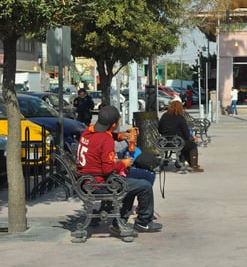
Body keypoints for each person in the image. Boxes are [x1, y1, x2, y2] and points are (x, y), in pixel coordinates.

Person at [77, 105, 162, 233]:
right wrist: (123, 163)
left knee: (132, 183)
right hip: (99, 185)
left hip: (86, 181)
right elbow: (108, 170)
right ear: (113, 124)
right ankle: (144, 222)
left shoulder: (88, 131)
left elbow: (104, 135)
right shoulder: (106, 140)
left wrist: (121, 136)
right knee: (144, 186)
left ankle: (120, 221)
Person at [158, 97, 204, 172]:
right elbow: (186, 134)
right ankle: (194, 166)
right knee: (192, 145)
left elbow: (159, 129)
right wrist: (193, 138)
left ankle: (181, 161)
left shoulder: (164, 116)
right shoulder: (180, 118)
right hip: (177, 143)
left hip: (164, 143)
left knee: (185, 142)